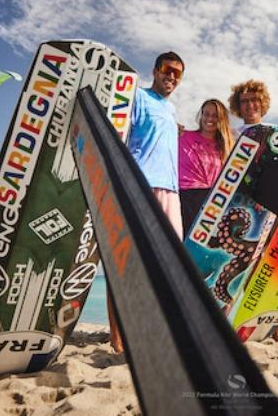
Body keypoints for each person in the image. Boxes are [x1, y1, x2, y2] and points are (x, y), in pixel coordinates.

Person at [109, 51, 185, 353]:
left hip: (171, 191)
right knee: (127, 263)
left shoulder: (171, 108)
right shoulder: (136, 97)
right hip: (140, 185)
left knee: (170, 264)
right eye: (168, 70)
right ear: (155, 70)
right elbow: (118, 131)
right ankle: (117, 337)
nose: (172, 77)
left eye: (178, 74)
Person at [226, 79, 278, 343]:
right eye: (244, 101)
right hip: (238, 206)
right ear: (238, 106)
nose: (250, 104)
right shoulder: (232, 133)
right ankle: (223, 320)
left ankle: (274, 329)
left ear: (262, 102)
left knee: (265, 264)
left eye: (254, 100)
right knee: (234, 263)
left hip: (270, 207)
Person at [179, 99, 234, 234]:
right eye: (206, 114)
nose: (210, 118)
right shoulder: (182, 136)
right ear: (201, 115)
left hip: (213, 203)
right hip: (185, 197)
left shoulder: (227, 147)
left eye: (215, 115)